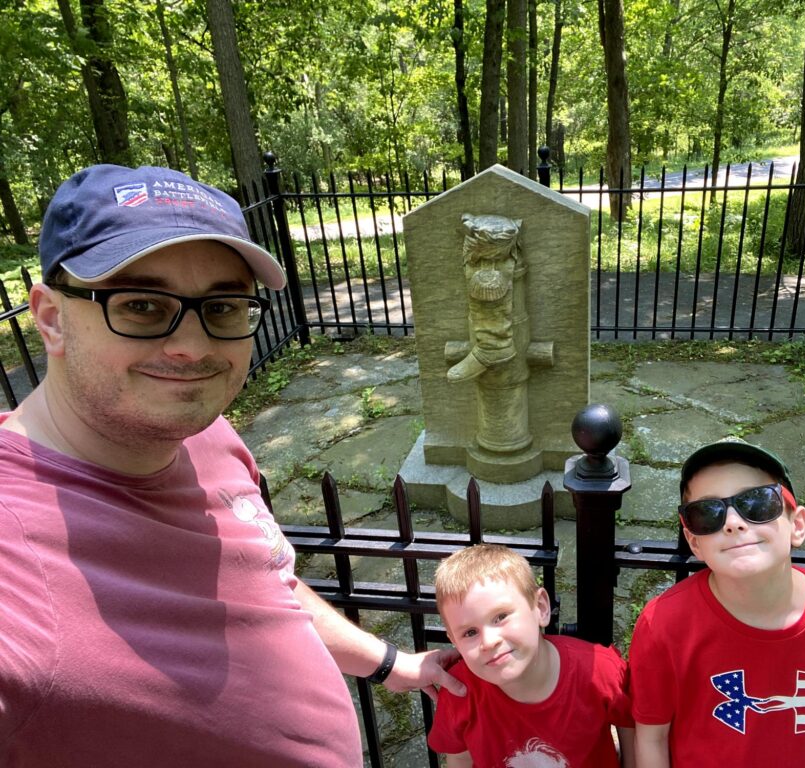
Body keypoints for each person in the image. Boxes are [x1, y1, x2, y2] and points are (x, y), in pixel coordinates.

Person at [0, 164, 465, 767]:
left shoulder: (205, 433)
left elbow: (268, 581)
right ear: (51, 317)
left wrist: (387, 663)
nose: (192, 346)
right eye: (141, 304)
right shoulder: (14, 560)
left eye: (221, 306)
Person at [629, 439, 805, 767]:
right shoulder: (664, 624)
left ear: (797, 525)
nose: (733, 522)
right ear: (694, 542)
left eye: (756, 503)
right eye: (707, 513)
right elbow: (652, 735)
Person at [427, 543, 635, 767]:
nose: (489, 642)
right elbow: (459, 758)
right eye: (469, 632)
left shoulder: (598, 671)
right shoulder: (460, 692)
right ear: (454, 640)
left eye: (500, 617)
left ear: (541, 608)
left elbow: (631, 726)